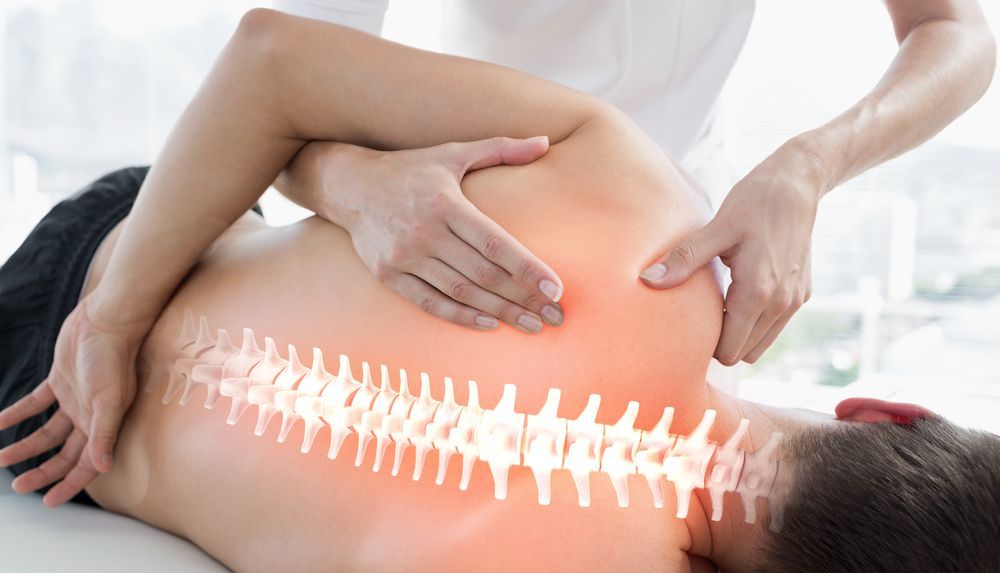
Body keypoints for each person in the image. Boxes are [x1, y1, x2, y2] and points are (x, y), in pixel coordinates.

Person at [0, 10, 997, 573]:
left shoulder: (638, 203)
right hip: (55, 442)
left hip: (130, 254)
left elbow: (270, 58)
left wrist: (116, 320)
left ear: (885, 410)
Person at [271, 0, 996, 366]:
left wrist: (810, 167)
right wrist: (358, 189)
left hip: (681, 259)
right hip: (465, 253)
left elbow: (956, 29)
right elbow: (270, 89)